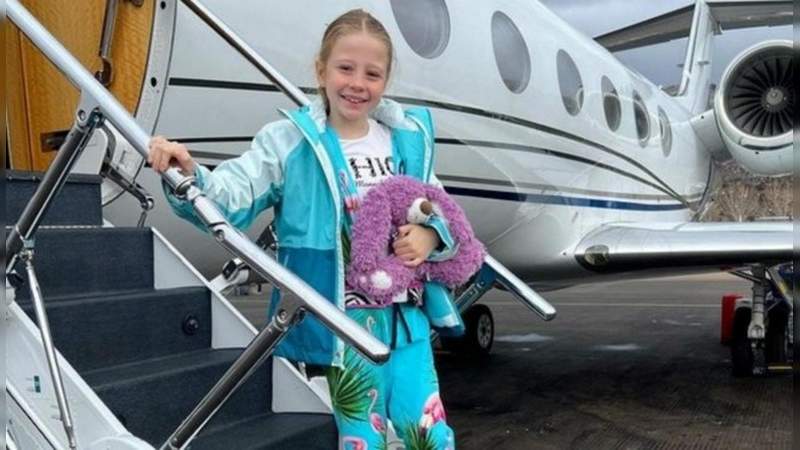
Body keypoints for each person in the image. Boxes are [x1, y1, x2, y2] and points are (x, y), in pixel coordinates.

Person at [149, 9, 457, 450]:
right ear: (321, 70)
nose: (357, 83)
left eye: (372, 74)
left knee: (431, 437)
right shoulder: (289, 142)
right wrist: (190, 176)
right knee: (362, 439)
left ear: (386, 80)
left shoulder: (406, 139)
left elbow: (443, 211)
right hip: (345, 326)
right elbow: (235, 195)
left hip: (409, 321)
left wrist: (431, 236)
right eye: (345, 68)